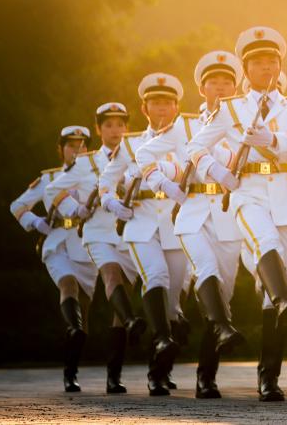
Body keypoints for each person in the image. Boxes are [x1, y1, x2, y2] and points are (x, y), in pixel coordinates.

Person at [184, 26, 287, 402]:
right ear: (246, 69)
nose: (266, 67)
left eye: (272, 60)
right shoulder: (230, 108)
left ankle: (268, 377)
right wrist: (218, 172)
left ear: (280, 65)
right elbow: (195, 146)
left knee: (274, 289)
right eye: (257, 62)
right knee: (265, 243)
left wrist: (274, 139)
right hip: (248, 193)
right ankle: (284, 299)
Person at [135, 51, 248, 398]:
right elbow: (144, 155)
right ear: (202, 88)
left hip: (228, 216)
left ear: (236, 88)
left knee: (222, 297)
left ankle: (206, 376)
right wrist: (164, 183)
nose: (221, 88)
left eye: (227, 82)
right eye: (214, 82)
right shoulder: (185, 127)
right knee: (205, 270)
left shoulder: (244, 123)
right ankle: (159, 372)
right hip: (193, 212)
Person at [45, 104, 145, 394]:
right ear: (99, 129)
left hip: (128, 232)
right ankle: (130, 321)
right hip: (98, 232)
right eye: (108, 125)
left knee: (122, 295)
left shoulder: (139, 155)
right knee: (111, 275)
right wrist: (75, 209)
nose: (115, 131)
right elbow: (53, 190)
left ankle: (114, 376)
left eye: (120, 125)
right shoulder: (86, 162)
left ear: (127, 128)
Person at [99, 74, 189, 396]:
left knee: (173, 302)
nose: (162, 108)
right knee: (156, 275)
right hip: (141, 221)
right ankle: (162, 342)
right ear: (144, 108)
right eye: (155, 103)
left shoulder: (188, 140)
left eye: (167, 103)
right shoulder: (131, 144)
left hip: (176, 223)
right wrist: (112, 202)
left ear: (176, 107)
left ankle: (159, 372)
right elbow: (106, 181)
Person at [11, 126, 95, 393]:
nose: (77, 150)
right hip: (57, 242)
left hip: (86, 245)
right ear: (61, 149)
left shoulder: (96, 176)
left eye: (82, 146)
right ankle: (73, 339)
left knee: (84, 314)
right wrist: (36, 222)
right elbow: (17, 206)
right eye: (71, 145)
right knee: (68, 285)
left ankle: (71, 370)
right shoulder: (50, 179)